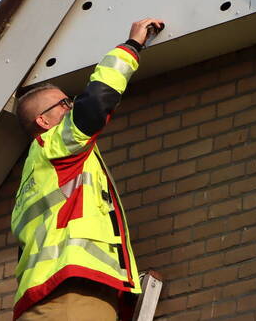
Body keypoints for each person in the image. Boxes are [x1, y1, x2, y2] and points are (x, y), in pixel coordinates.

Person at [11, 18, 165, 321]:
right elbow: (94, 102)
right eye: (63, 103)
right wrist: (131, 47)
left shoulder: (34, 176)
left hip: (43, 300)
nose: (70, 107)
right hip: (74, 292)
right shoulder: (54, 146)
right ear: (43, 122)